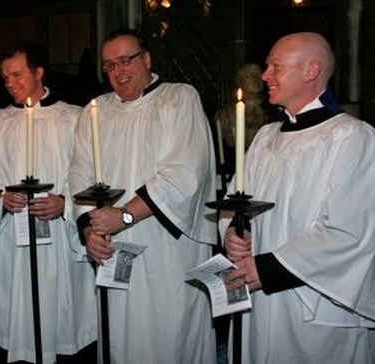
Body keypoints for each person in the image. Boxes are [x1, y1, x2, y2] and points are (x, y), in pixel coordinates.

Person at [222, 32, 375, 363]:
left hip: (312, 302)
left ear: (311, 71)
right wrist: (233, 233)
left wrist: (268, 269)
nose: (265, 75)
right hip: (258, 296)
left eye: (276, 66)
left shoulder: (350, 137)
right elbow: (236, 200)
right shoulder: (266, 137)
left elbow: (349, 232)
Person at [68, 28, 218, 363]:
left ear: (146, 59)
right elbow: (78, 176)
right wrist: (90, 231)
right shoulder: (95, 111)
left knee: (172, 335)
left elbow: (183, 173)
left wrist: (122, 217)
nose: (118, 72)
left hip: (169, 247)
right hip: (113, 246)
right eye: (109, 66)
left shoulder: (179, 98)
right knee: (121, 337)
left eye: (125, 61)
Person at [0, 41, 98, 364]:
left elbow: (91, 176)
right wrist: (1, 198)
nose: (10, 83)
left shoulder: (75, 118)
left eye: (17, 75)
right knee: (14, 324)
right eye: (5, 78)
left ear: (39, 72)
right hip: (11, 247)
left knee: (62, 322)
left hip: (61, 241)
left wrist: (65, 204)